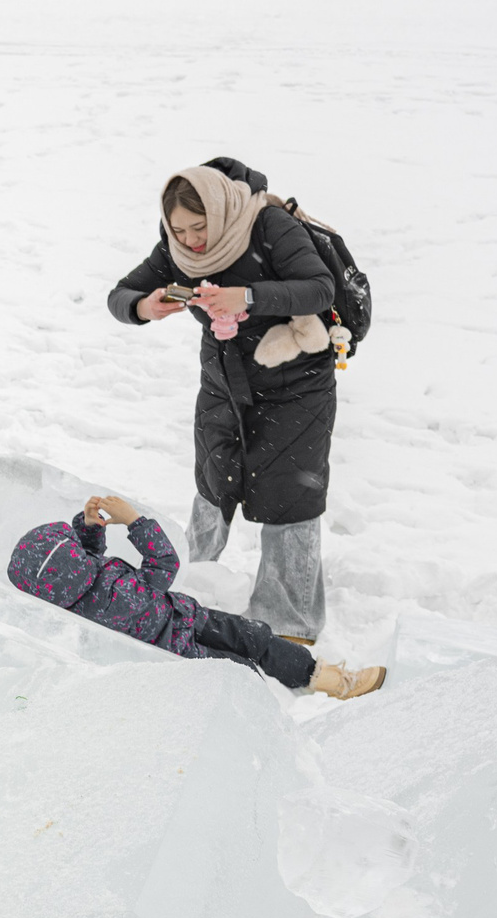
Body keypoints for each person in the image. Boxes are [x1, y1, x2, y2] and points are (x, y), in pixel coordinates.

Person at [107, 157, 339, 641]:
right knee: (214, 482)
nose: (191, 240)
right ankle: (185, 582)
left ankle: (289, 624)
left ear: (220, 209)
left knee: (288, 497)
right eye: (178, 229)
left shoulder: (267, 224)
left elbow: (319, 289)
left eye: (200, 226)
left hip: (296, 385)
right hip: (223, 382)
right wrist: (143, 306)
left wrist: (249, 297)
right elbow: (121, 293)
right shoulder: (177, 250)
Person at [5, 495, 383, 698]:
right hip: (185, 648)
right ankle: (326, 686)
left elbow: (88, 565)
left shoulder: (69, 596)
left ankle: (313, 682)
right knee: (249, 664)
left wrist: (88, 528)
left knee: (253, 647)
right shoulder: (115, 595)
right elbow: (163, 565)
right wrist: (135, 522)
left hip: (184, 622)